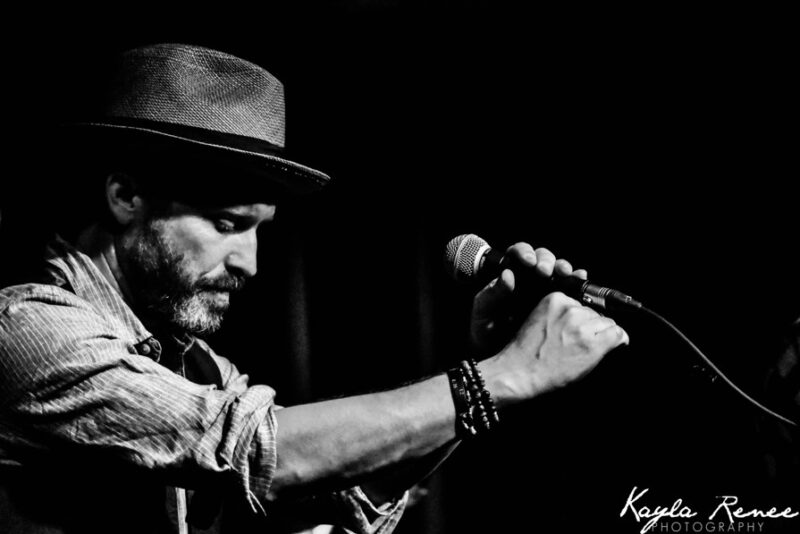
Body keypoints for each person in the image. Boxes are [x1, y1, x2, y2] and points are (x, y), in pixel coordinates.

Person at [0, 43, 629, 534]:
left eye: (259, 230)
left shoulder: (195, 365)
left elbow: (335, 499)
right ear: (125, 195)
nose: (249, 264)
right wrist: (504, 377)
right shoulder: (26, 329)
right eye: (226, 224)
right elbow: (255, 448)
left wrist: (483, 365)